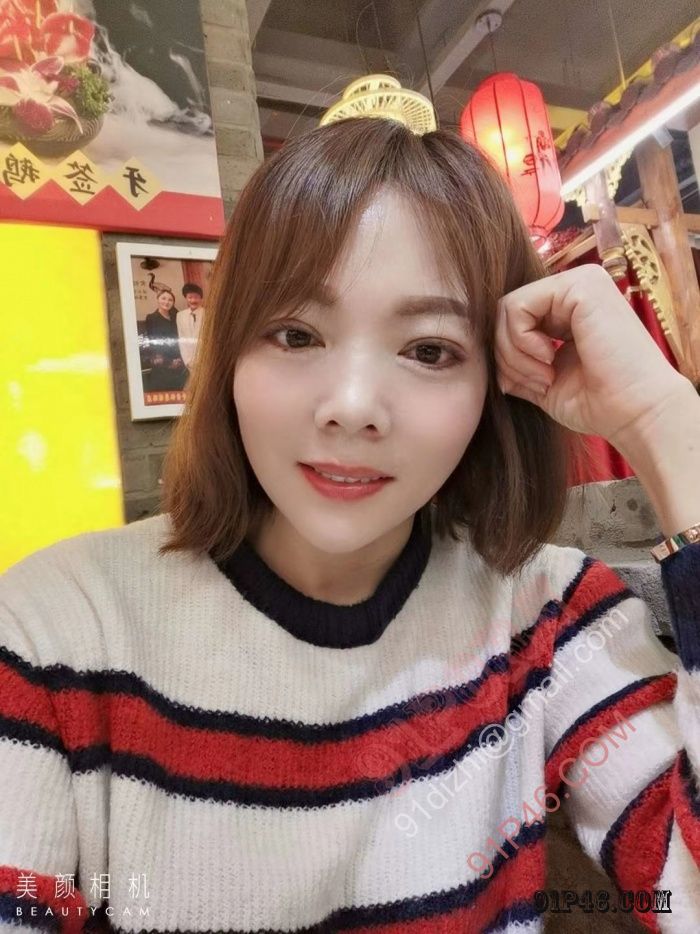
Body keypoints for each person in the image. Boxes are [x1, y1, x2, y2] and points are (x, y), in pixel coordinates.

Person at [1, 118, 699, 933]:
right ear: (229, 353)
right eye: (296, 334)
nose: (353, 407)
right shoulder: (55, 633)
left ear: (496, 382)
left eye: (429, 350)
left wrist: (662, 419)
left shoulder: (545, 616)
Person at [142, 288, 188, 392]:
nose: (166, 302)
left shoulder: (176, 316)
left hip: (179, 360)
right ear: (157, 299)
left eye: (170, 300)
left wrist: (180, 359)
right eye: (163, 298)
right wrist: (169, 362)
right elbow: (154, 342)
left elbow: (181, 338)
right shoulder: (152, 318)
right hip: (163, 362)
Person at [176, 282, 204, 372]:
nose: (193, 300)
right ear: (186, 298)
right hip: (189, 361)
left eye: (196, 297)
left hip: (205, 360)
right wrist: (188, 361)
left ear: (201, 298)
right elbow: (182, 339)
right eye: (190, 297)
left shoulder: (208, 314)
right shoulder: (180, 315)